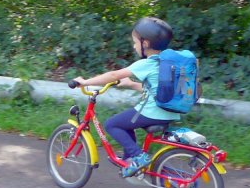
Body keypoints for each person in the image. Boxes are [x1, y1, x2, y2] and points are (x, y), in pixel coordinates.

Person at [73, 17, 180, 177]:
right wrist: (131, 84)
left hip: (153, 112)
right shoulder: (167, 63)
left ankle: (138, 157)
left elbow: (113, 75)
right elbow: (158, 90)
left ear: (145, 44)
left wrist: (85, 82)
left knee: (112, 124)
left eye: (135, 42)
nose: (134, 46)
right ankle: (130, 160)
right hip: (169, 113)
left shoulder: (148, 63)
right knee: (126, 123)